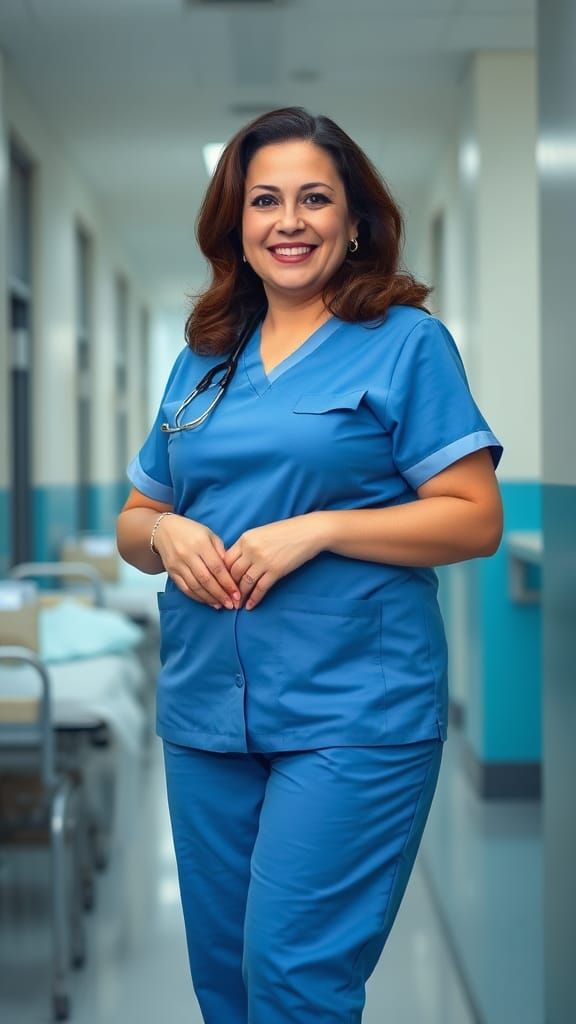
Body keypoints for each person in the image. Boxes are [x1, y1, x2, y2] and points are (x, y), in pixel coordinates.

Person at [116, 106, 503, 1024]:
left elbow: (475, 518)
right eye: (265, 201)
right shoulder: (202, 361)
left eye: (314, 198)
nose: (289, 221)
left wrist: (322, 527)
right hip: (208, 711)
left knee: (294, 979)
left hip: (353, 713)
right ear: (236, 226)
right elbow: (136, 520)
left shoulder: (406, 343)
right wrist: (165, 537)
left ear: (355, 219)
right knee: (225, 983)